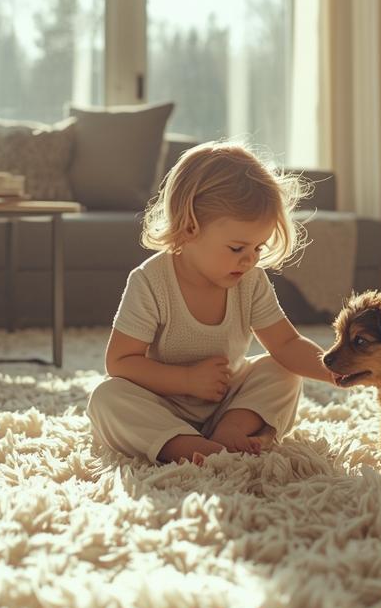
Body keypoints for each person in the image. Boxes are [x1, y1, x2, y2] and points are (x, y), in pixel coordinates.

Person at [87, 141, 338, 465]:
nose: (249, 260)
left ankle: (231, 431)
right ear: (190, 228)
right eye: (237, 248)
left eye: (258, 248)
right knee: (107, 399)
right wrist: (187, 381)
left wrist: (338, 371)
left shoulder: (251, 281)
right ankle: (189, 447)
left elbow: (286, 343)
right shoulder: (150, 281)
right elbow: (120, 362)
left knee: (283, 371)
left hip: (228, 401)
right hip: (161, 402)